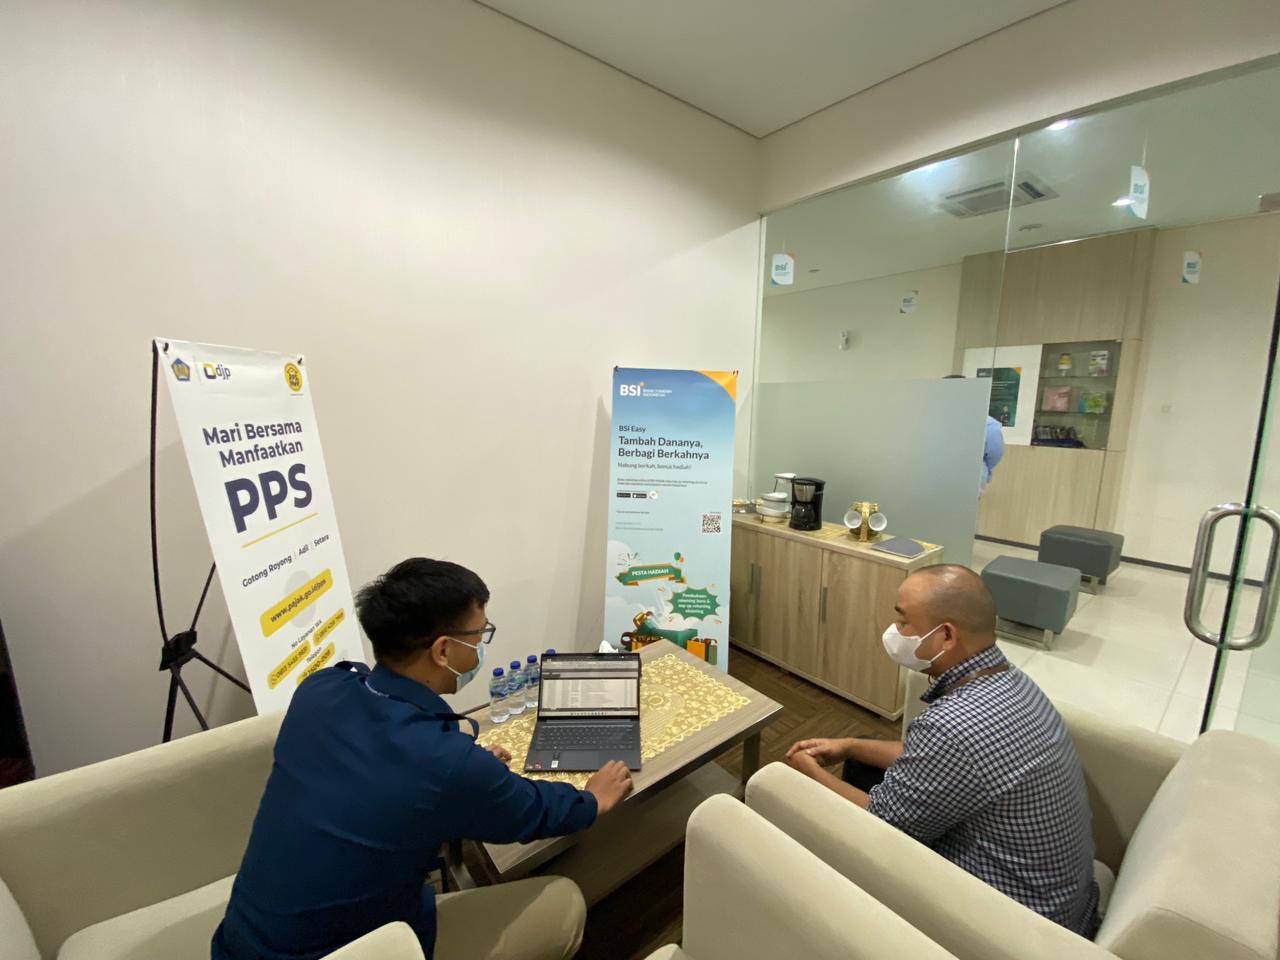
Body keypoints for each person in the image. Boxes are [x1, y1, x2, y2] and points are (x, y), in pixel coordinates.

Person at [212, 558, 634, 960]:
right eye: (479, 636)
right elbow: (534, 812)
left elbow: (384, 766)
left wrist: (460, 764)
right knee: (564, 900)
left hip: (240, 941)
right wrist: (592, 799)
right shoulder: (445, 763)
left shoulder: (320, 689)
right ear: (443, 651)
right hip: (353, 950)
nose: (481, 647)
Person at [784, 565, 1098, 937]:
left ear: (945, 636)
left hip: (1017, 923)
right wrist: (851, 745)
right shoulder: (1010, 680)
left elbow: (882, 823)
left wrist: (808, 773)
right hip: (1068, 903)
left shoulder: (951, 724)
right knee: (861, 762)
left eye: (903, 622)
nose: (894, 631)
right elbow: (934, 760)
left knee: (823, 807)